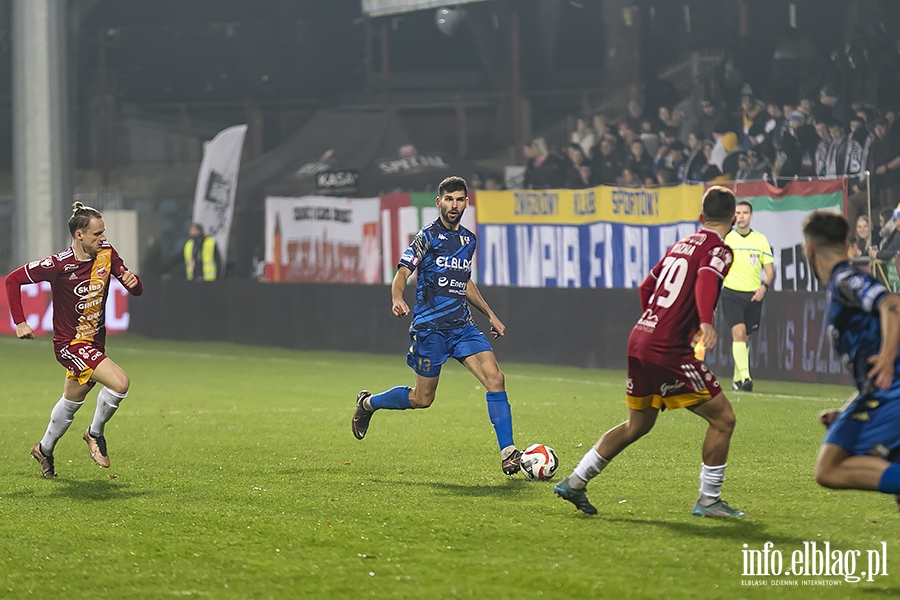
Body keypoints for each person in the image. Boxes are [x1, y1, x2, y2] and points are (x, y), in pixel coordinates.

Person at [554, 186, 745, 517]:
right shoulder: (719, 249)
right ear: (732, 218)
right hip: (667, 348)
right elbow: (705, 280)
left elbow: (646, 286)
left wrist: (656, 321)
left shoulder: (680, 245)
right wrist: (704, 323)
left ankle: (575, 481)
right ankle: (709, 500)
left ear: (701, 217)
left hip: (640, 338)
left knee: (637, 425)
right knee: (724, 419)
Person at [351, 176, 523, 475]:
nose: (454, 205)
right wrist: (396, 298)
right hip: (431, 329)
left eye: (459, 199)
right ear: (439, 202)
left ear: (466, 202)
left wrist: (490, 314)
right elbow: (403, 272)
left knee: (496, 379)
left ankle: (508, 453)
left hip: (462, 327)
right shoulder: (427, 237)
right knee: (422, 399)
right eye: (449, 199)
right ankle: (368, 404)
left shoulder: (468, 240)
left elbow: (464, 281)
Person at [5, 202, 144, 477]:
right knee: (120, 383)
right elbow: (12, 280)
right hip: (70, 345)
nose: (103, 238)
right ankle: (94, 434)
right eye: (97, 234)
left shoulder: (107, 254)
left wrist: (133, 281)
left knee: (71, 401)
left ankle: (43, 449)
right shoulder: (58, 265)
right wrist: (20, 321)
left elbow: (136, 288)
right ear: (79, 235)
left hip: (94, 343)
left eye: (103, 233)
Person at [804, 211, 900, 505]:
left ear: (809, 250)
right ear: (847, 242)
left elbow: (892, 304)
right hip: (879, 394)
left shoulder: (844, 279)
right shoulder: (840, 284)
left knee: (829, 468)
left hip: (891, 394)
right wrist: (847, 408)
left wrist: (885, 358)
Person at [721, 201, 775, 392]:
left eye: (745, 213)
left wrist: (764, 287)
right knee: (738, 333)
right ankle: (746, 377)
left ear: (751, 216)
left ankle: (737, 379)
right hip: (731, 292)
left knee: (746, 338)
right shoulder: (727, 239)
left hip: (752, 295)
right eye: (738, 213)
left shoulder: (760, 240)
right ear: (734, 216)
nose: (741, 216)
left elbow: (769, 270)